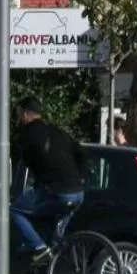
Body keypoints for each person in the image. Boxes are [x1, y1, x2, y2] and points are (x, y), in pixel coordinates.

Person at [9, 96, 88, 265]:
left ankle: (39, 248)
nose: (18, 119)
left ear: (24, 115)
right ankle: (52, 267)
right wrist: (81, 178)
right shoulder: (58, 132)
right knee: (54, 236)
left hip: (56, 192)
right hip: (78, 193)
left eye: (18, 114)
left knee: (14, 211)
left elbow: (4, 165)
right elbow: (81, 153)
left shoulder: (26, 137)